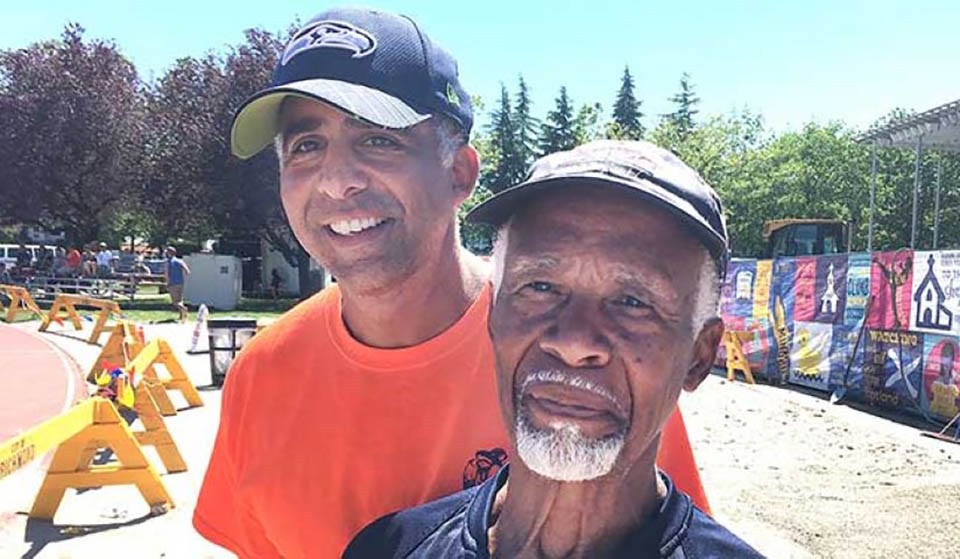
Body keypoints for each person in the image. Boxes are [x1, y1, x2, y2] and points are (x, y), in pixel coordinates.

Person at [194, 8, 708, 559]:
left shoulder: (569, 363)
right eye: (305, 146)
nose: (337, 180)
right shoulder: (261, 375)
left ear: (460, 172)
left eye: (378, 140)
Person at [346, 140, 761, 558]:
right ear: (493, 315)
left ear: (699, 357)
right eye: (540, 287)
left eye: (633, 303)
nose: (574, 342)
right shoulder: (389, 549)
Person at [164, 247, 190, 322]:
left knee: (175, 302)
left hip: (172, 283)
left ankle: (184, 309)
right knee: (180, 300)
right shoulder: (180, 261)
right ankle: (182, 317)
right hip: (180, 283)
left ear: (169, 253)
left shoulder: (168, 262)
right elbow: (187, 271)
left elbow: (166, 274)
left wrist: (167, 283)